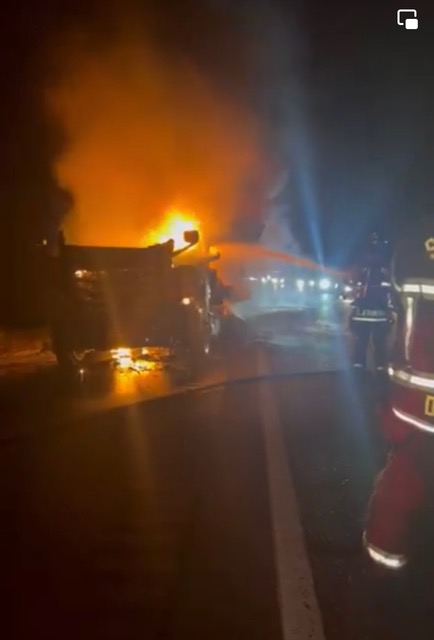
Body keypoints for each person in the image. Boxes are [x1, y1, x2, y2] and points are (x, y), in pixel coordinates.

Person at [364, 213, 434, 572]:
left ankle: (385, 562)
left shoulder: (412, 243)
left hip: (413, 403)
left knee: (402, 481)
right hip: (413, 398)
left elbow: (399, 296)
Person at [350, 232, 394, 374]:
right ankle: (379, 368)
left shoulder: (363, 264)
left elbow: (355, 282)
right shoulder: (384, 264)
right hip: (378, 310)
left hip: (365, 310)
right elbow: (389, 286)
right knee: (378, 342)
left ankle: (359, 367)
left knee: (362, 341)